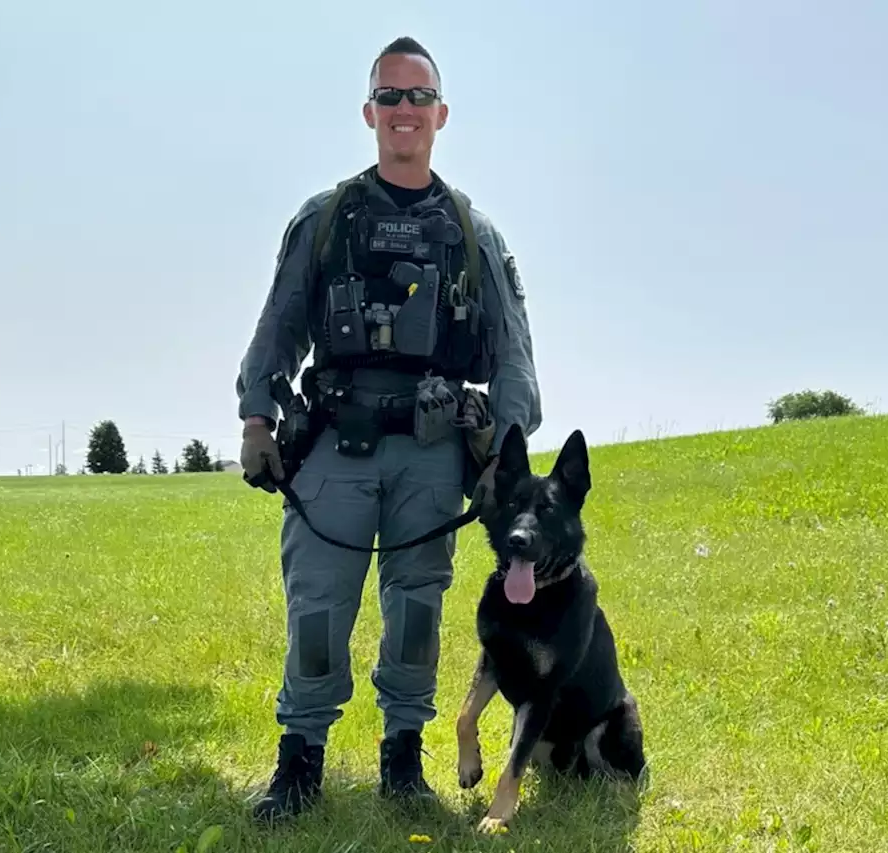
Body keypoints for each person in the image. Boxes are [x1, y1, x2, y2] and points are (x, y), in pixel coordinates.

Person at [235, 36, 542, 822]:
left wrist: (506, 461)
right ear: (370, 112)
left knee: (417, 612)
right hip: (335, 444)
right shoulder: (326, 218)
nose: (405, 111)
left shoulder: (475, 234)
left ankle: (403, 760)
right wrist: (256, 415)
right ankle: (298, 761)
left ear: (441, 113)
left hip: (434, 454)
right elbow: (279, 325)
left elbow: (512, 356)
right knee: (317, 609)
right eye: (391, 96)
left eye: (419, 97)